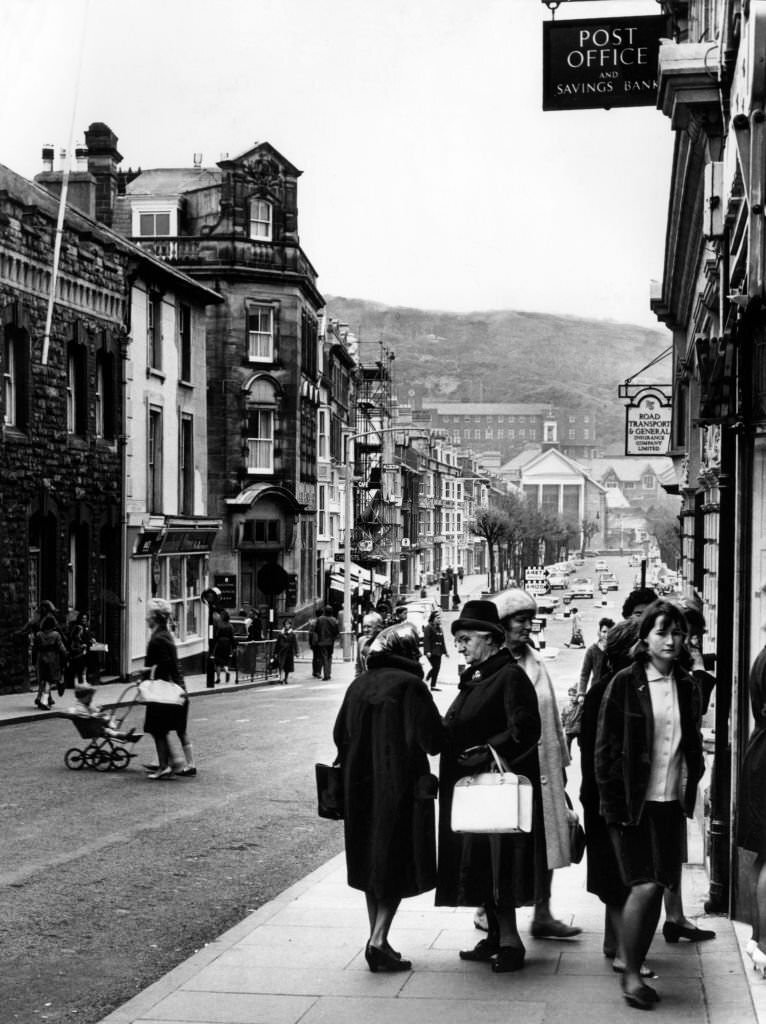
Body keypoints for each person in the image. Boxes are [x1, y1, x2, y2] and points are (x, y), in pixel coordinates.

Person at [595, 600, 705, 1010]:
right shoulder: (626, 681)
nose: (672, 641)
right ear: (645, 639)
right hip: (632, 803)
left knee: (658, 887)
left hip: (669, 801)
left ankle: (634, 965)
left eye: (678, 633)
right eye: (662, 632)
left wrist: (691, 790)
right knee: (642, 885)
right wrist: (612, 807)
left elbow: (689, 742)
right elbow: (605, 750)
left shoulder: (687, 684)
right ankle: (629, 974)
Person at [436, 600, 541, 972]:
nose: (459, 647)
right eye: (458, 640)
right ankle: (496, 935)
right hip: (475, 791)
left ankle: (512, 943)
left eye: (465, 639)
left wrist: (487, 751)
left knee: (499, 864)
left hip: (493, 791)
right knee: (481, 862)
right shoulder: (480, 675)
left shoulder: (508, 675)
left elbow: (526, 729)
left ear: (490, 639)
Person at [333, 622, 443, 972]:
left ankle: (377, 939)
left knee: (370, 862)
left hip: (358, 785)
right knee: (396, 861)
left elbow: (339, 734)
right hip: (400, 786)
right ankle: (378, 939)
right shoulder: (411, 685)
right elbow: (433, 740)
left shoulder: (358, 684)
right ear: (410, 653)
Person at [492, 588, 581, 942]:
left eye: (531, 619)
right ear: (502, 625)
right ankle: (492, 911)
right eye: (520, 620)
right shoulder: (496, 664)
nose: (528, 626)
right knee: (505, 847)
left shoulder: (535, 660)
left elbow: (552, 717)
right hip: (510, 770)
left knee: (548, 842)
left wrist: (560, 762)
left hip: (543, 768)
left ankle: (543, 913)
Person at [736, 603, 766, 974]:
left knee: (763, 855)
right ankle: (763, 943)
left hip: (759, 754)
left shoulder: (761, 656)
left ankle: (759, 940)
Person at [143, 598, 196, 780]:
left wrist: (147, 674)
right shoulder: (164, 635)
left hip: (164, 691)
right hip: (172, 689)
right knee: (161, 729)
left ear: (156, 618)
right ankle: (169, 763)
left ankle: (166, 765)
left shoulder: (159, 638)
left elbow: (164, 664)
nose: (146, 619)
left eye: (148, 616)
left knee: (157, 728)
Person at [68, 682, 140, 742]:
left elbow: (93, 710)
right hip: (90, 729)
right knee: (108, 730)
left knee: (108, 722)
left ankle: (121, 733)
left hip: (96, 725)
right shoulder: (79, 707)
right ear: (81, 697)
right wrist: (94, 715)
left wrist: (99, 710)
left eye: (91, 697)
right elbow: (83, 715)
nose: (91, 699)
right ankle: (123, 735)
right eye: (89, 697)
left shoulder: (87, 704)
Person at [32, 613, 68, 710]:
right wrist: (65, 658)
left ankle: (41, 698)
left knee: (42, 679)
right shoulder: (56, 635)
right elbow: (62, 649)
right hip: (52, 659)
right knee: (48, 680)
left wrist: (33, 660)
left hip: (40, 658)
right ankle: (44, 700)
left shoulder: (39, 635)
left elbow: (34, 648)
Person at [578, 617, 614, 696]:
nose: (606, 635)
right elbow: (585, 674)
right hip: (595, 691)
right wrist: (581, 693)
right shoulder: (591, 650)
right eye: (604, 632)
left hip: (612, 692)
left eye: (610, 632)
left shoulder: (616, 650)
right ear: (599, 632)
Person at [423, 609, 448, 691]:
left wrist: (445, 652)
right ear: (433, 618)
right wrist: (427, 651)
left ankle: (432, 683)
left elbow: (442, 640)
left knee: (437, 668)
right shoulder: (428, 627)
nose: (439, 620)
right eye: (438, 618)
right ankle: (429, 680)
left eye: (440, 618)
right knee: (435, 667)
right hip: (431, 652)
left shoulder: (439, 628)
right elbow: (426, 640)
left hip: (438, 652)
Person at [212, 608, 237, 685]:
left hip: (220, 644)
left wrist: (213, 645)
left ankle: (218, 678)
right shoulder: (231, 626)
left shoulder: (219, 625)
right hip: (227, 645)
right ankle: (227, 671)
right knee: (225, 661)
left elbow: (215, 636)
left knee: (218, 662)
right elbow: (232, 637)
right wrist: (233, 647)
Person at [314, 605, 339, 680]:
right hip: (330, 641)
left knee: (324, 657)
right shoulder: (334, 620)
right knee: (329, 657)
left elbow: (316, 629)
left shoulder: (320, 619)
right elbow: (336, 631)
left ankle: (326, 675)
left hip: (322, 641)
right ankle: (328, 673)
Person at [274, 617, 299, 684]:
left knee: (287, 666)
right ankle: (281, 678)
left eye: (288, 624)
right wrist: (275, 652)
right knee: (281, 665)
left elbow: (295, 643)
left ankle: (286, 678)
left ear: (290, 625)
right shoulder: (280, 633)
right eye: (286, 624)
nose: (287, 625)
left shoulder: (292, 634)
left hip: (289, 651)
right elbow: (277, 643)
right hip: (281, 651)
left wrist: (296, 652)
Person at [560, 686, 584, 755]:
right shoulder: (566, 706)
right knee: (567, 743)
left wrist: (580, 696)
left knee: (581, 745)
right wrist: (562, 724)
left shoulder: (580, 705)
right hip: (569, 729)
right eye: (570, 695)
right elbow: (563, 716)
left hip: (579, 729)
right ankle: (568, 756)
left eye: (574, 695)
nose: (571, 697)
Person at [306, 604, 324, 678]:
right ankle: (318, 672)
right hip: (319, 642)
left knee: (315, 657)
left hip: (313, 642)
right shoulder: (321, 622)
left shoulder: (312, 622)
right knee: (320, 657)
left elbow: (310, 633)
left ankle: (314, 671)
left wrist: (310, 643)